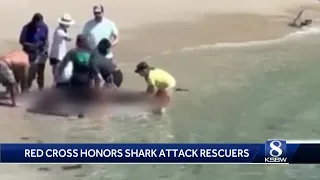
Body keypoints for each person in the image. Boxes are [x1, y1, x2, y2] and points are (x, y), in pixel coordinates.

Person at [19, 13, 49, 90]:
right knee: (29, 75)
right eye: (38, 23)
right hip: (29, 55)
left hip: (41, 54)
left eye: (40, 23)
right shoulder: (26, 28)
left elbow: (46, 40)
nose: (39, 25)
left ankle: (41, 91)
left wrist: (45, 50)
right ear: (34, 21)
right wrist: (31, 46)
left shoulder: (44, 27)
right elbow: (22, 41)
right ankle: (25, 91)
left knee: (40, 74)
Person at [49, 13, 74, 86]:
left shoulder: (62, 29)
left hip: (57, 55)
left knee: (57, 75)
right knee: (57, 76)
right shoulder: (59, 31)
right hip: (57, 56)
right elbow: (68, 38)